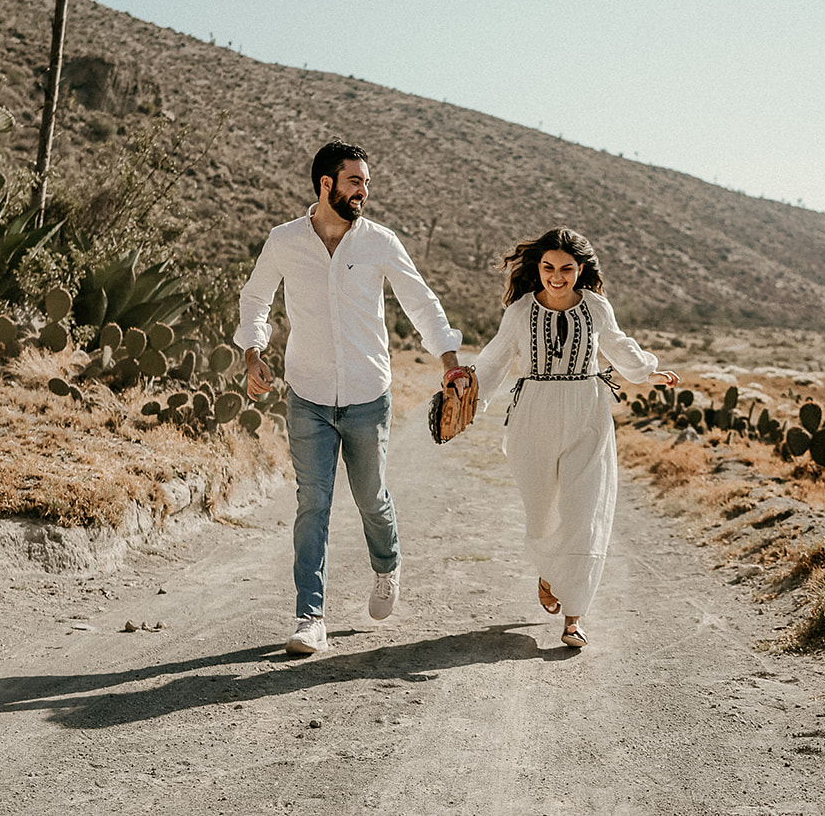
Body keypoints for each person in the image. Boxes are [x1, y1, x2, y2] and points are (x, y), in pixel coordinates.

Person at [235, 139, 463, 655]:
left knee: (371, 498)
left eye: (366, 182)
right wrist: (252, 352)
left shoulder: (380, 241)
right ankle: (310, 617)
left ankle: (387, 567)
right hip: (308, 395)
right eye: (355, 181)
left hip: (367, 394)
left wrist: (448, 361)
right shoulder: (285, 240)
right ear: (326, 184)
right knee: (312, 502)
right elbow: (255, 298)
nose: (364, 191)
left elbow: (420, 302)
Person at [470, 227, 677, 649]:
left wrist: (644, 371)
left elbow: (618, 345)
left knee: (583, 515)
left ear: (581, 269)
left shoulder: (597, 308)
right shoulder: (520, 312)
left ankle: (574, 618)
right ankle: (549, 571)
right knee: (542, 515)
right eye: (549, 267)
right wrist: (469, 395)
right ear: (538, 268)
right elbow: (493, 359)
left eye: (567, 268)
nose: (557, 276)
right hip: (534, 415)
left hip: (588, 411)